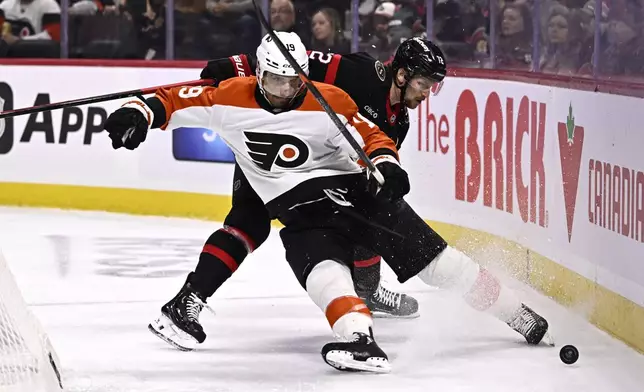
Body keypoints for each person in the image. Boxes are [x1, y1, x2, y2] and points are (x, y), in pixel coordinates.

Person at [103, 32, 551, 373]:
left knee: (435, 260)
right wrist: (136, 114)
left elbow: (369, 136)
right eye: (275, 80)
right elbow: (167, 101)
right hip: (290, 196)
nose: (285, 90)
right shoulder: (238, 95)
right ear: (259, 74)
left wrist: (386, 164)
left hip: (350, 187)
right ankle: (355, 335)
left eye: (294, 81)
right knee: (300, 253)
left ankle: (518, 313)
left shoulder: (330, 101)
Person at [180, 37, 445, 327]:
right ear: (403, 75)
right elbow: (292, 58)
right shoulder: (361, 72)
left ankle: (368, 292)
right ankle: (189, 298)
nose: (427, 93)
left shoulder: (399, 122)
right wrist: (237, 65)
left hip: (314, 170)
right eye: (424, 84)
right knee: (248, 223)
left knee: (370, 210)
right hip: (274, 150)